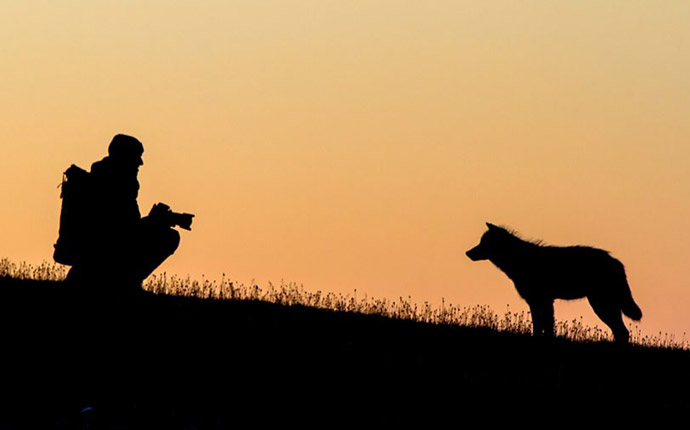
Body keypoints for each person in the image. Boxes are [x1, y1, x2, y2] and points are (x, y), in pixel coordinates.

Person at [64, 134, 188, 296]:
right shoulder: (115, 183)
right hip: (105, 248)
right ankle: (127, 283)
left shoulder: (106, 179)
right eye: (137, 157)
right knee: (170, 237)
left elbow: (125, 226)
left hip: (99, 246)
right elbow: (121, 230)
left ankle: (115, 281)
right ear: (124, 157)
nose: (140, 163)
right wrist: (156, 221)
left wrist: (156, 220)